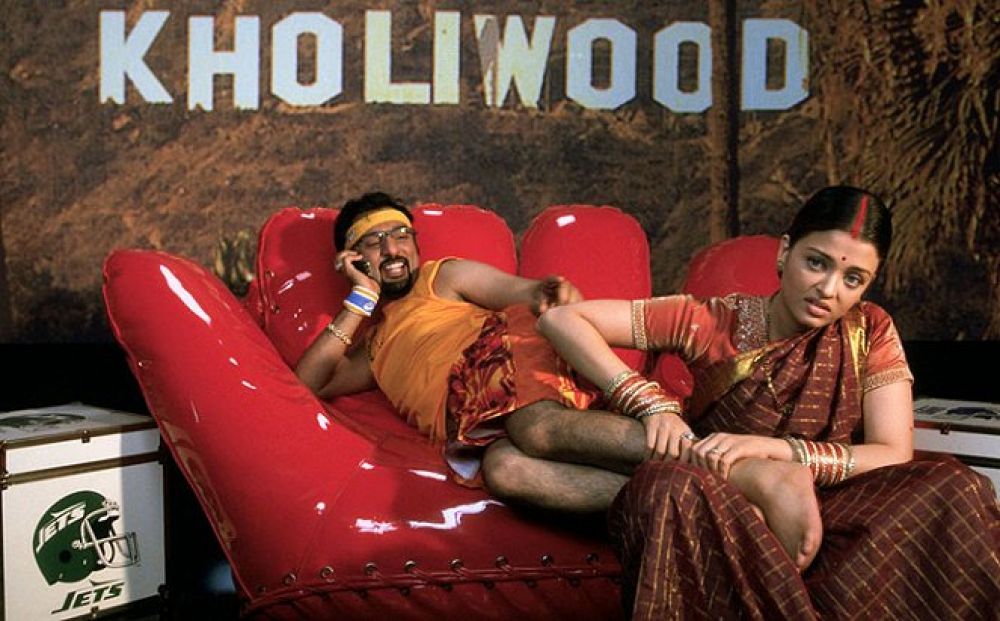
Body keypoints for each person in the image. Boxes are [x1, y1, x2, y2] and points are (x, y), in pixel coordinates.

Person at [537, 185, 1000, 619]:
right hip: (721, 494)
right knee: (666, 487)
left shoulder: (869, 329)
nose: (829, 290)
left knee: (956, 487)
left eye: (853, 278)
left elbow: (892, 452)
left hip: (834, 501)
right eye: (816, 263)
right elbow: (562, 319)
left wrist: (780, 453)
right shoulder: (714, 321)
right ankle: (755, 514)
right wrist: (649, 402)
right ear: (784, 253)